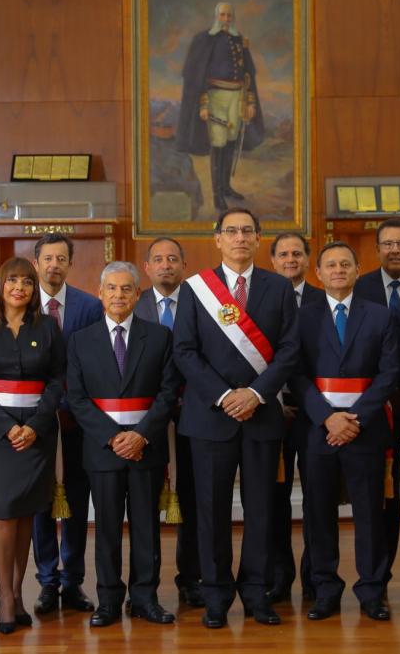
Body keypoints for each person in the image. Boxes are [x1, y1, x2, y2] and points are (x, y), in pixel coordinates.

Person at [172, 207, 299, 628]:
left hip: (261, 415)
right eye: (232, 231)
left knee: (262, 510)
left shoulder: (279, 288)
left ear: (259, 238)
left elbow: (290, 350)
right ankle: (216, 595)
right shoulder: (196, 289)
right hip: (211, 416)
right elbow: (184, 351)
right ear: (218, 239)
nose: (240, 238)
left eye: (247, 231)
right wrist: (226, 395)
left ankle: (256, 593)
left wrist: (256, 394)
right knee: (211, 512)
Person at [67, 262, 182, 627]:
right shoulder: (80, 340)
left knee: (146, 527)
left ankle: (145, 598)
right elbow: (77, 398)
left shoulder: (160, 337)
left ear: (137, 294)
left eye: (126, 288)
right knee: (107, 528)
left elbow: (168, 393)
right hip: (103, 449)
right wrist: (113, 437)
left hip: (146, 447)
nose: (119, 295)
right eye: (112, 288)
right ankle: (108, 601)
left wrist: (140, 435)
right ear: (100, 293)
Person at [290, 241, 398, 621]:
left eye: (345, 264)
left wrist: (354, 418)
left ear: (357, 270)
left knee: (369, 514)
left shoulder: (380, 315)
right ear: (318, 273)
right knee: (318, 514)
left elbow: (389, 373)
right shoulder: (302, 317)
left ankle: (372, 590)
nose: (338, 270)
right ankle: (325, 589)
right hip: (317, 429)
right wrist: (327, 417)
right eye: (331, 265)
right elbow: (295, 373)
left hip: (364, 429)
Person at [0, 258, 64, 634]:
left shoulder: (48, 327)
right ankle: (6, 597)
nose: (19, 287)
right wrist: (7, 428)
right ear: (0, 285)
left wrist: (34, 426)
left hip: (37, 435)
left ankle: (18, 593)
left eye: (27, 281)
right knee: (2, 514)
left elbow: (57, 381)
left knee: (25, 513)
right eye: (12, 280)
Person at [354, 217, 400, 595]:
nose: (395, 250)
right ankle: (378, 579)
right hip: (373, 409)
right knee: (381, 497)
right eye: (388, 244)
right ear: (377, 249)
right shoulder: (360, 287)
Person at [31, 233, 103, 615]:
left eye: (61, 259)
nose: (54, 265)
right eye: (48, 258)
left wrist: (76, 408)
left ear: (70, 264)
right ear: (36, 263)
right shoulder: (23, 304)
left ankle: (72, 580)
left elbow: (94, 364)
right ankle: (47, 580)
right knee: (40, 503)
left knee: (76, 499)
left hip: (77, 422)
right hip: (36, 423)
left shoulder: (89, 307)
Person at [135, 237, 202, 607]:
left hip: (193, 415)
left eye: (173, 259)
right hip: (146, 420)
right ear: (147, 268)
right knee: (143, 505)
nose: (166, 265)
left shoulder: (201, 302)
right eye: (158, 259)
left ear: (184, 266)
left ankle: (191, 578)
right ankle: (143, 587)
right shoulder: (134, 303)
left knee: (192, 501)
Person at [267, 232, 322, 603]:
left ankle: (316, 576)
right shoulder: (262, 298)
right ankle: (279, 577)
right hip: (272, 411)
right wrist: (273, 399)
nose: (290, 260)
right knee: (274, 500)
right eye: (283, 254)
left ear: (307, 259)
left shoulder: (324, 299)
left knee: (316, 498)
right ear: (273, 261)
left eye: (297, 253)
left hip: (317, 413)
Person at [174, 1, 265, 211]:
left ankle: (226, 188)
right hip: (215, 98)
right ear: (217, 16)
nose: (226, 19)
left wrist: (250, 101)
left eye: (229, 15)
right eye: (222, 15)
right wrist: (204, 104)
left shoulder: (239, 40)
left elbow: (248, 74)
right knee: (218, 143)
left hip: (237, 98)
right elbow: (198, 76)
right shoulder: (204, 40)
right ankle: (217, 195)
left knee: (231, 142)